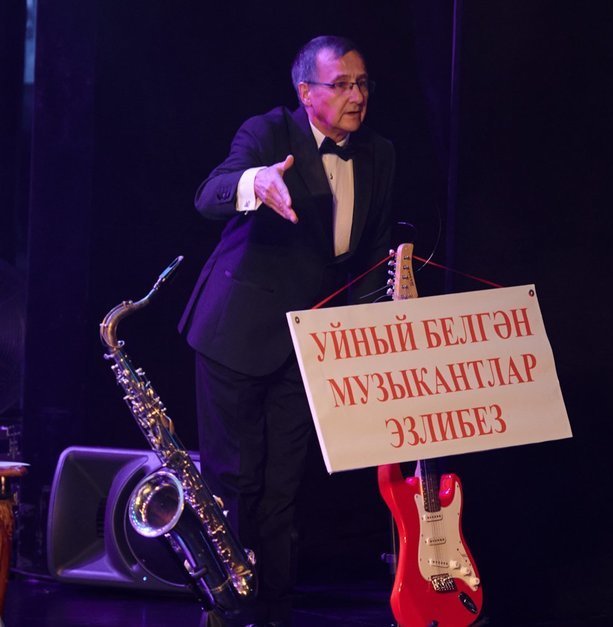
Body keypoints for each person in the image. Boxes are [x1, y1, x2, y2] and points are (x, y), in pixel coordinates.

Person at [178, 35, 395, 626]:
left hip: (308, 345)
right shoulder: (268, 132)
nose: (356, 96)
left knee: (282, 489)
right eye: (341, 85)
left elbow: (371, 255)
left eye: (362, 84)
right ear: (306, 92)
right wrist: (255, 183)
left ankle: (273, 613)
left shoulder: (379, 153)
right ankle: (228, 609)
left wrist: (374, 330)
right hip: (236, 334)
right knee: (234, 482)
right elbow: (209, 194)